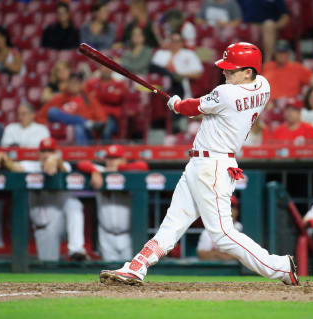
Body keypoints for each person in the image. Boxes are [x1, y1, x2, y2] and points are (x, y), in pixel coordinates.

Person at [99, 42, 299, 286]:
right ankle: (136, 267)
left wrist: (174, 103)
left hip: (212, 166)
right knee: (172, 224)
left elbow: (188, 108)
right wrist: (181, 104)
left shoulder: (228, 93)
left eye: (231, 69)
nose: (225, 72)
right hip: (203, 164)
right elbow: (199, 109)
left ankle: (280, 267)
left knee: (223, 234)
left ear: (248, 72)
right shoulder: (263, 86)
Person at [0, 137, 87, 261]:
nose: (46, 154)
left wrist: (54, 161)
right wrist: (4, 159)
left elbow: (62, 167)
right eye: (43, 151)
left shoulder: (64, 164)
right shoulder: (30, 166)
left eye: (50, 151)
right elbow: (15, 167)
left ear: (56, 153)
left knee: (74, 204)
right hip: (43, 229)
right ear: (38, 154)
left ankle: (76, 250)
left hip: (62, 223)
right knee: (49, 268)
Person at [77, 144, 149, 261]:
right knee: (109, 273)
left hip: (128, 236)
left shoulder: (130, 173)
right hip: (106, 235)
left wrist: (119, 169)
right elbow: (82, 163)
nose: (111, 162)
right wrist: (94, 171)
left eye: (115, 159)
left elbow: (143, 166)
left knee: (129, 272)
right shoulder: (101, 171)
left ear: (123, 160)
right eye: (109, 159)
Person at [36, 72, 107, 145]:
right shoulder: (60, 97)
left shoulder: (89, 99)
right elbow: (41, 116)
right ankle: (85, 122)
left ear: (81, 84)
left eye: (76, 82)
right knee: (52, 112)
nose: (73, 85)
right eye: (71, 82)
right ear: (67, 84)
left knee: (78, 127)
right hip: (62, 133)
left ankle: (80, 154)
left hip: (85, 134)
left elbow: (101, 120)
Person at [152, 32, 203, 99]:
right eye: (173, 41)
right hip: (160, 87)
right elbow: (152, 71)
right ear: (169, 42)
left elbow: (198, 73)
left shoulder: (189, 54)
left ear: (182, 43)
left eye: (178, 41)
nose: (175, 44)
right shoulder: (160, 53)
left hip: (180, 88)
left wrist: (179, 75)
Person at [84, 63, 127, 142]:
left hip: (111, 117)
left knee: (106, 129)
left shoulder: (119, 84)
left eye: (108, 67)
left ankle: (107, 152)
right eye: (103, 67)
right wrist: (106, 94)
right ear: (99, 69)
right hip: (93, 116)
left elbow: (115, 99)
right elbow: (86, 100)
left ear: (112, 69)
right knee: (83, 128)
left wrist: (97, 94)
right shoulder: (91, 83)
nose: (106, 69)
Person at [197, 196, 243, 260]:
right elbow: (201, 254)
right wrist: (225, 256)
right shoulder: (209, 230)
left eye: (231, 206)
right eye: (225, 207)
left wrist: (214, 254)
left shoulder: (241, 229)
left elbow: (241, 256)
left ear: (237, 211)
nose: (229, 210)